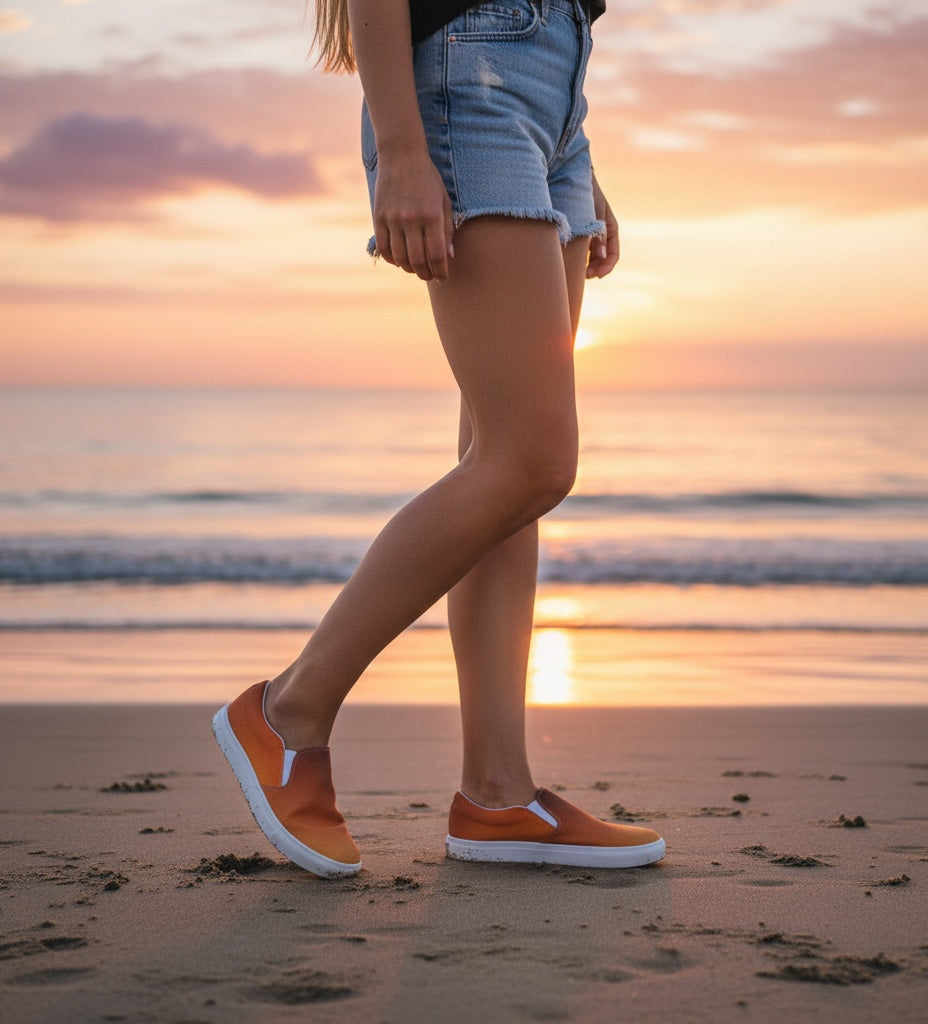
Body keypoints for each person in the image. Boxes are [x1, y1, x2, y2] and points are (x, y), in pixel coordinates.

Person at [212, 0, 666, 876]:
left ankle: (498, 794)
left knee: (506, 478)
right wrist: (404, 148)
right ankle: (288, 712)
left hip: (553, 97)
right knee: (529, 460)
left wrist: (574, 152)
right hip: (469, 78)